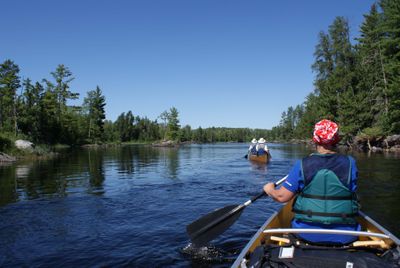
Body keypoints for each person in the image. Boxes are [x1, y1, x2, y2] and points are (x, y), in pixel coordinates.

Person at [263, 119, 360, 245]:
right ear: (336, 139)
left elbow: (282, 197)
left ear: (315, 139)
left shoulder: (302, 164)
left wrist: (269, 189)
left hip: (306, 233)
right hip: (346, 235)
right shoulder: (351, 163)